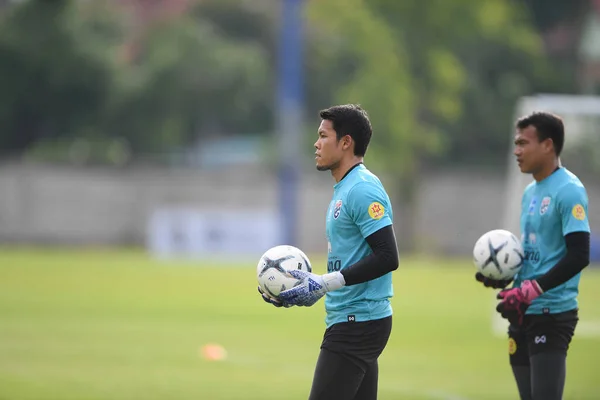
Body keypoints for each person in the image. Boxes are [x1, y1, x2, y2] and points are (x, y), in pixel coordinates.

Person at [258, 104, 399, 400]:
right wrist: (310, 289)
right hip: (353, 320)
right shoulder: (344, 189)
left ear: (345, 142)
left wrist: (325, 283)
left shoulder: (362, 189)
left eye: (323, 136)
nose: (316, 143)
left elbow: (388, 256)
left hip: (357, 323)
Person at [476, 111, 591, 400]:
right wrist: (504, 277)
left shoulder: (569, 191)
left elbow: (579, 255)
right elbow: (539, 254)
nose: (517, 151)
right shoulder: (530, 192)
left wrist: (533, 289)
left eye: (523, 143)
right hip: (522, 311)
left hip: (551, 313)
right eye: (516, 143)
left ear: (548, 145)